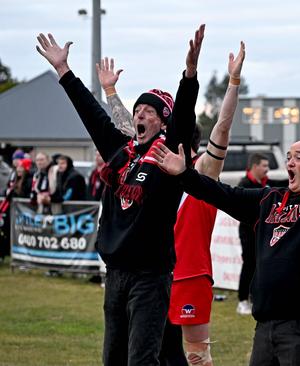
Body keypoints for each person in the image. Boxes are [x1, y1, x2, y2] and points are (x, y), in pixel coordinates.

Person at [36, 24, 204, 365]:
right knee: (112, 358)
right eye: (138, 109)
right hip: (116, 273)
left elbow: (184, 117)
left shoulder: (167, 157)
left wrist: (189, 74)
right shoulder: (121, 151)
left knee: (141, 359)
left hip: (150, 277)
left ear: (163, 123)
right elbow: (91, 114)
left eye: (150, 112)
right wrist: (63, 70)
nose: (140, 114)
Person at [152, 127, 300, 365]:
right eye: (288, 157)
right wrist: (184, 174)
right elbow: (223, 194)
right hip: (265, 326)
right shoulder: (270, 199)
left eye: (299, 157)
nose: (290, 163)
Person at [98, 41, 245, 366]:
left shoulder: (201, 171)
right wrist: (110, 92)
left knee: (195, 357)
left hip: (188, 275)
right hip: (151, 274)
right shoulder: (148, 168)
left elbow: (222, 127)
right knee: (159, 354)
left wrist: (233, 83)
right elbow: (126, 129)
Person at [236, 152, 269, 315]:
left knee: (259, 265)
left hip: (261, 232)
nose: (267, 169)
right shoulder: (245, 183)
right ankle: (242, 300)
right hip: (248, 232)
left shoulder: (263, 184)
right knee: (249, 264)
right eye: (264, 166)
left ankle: (255, 298)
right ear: (255, 166)